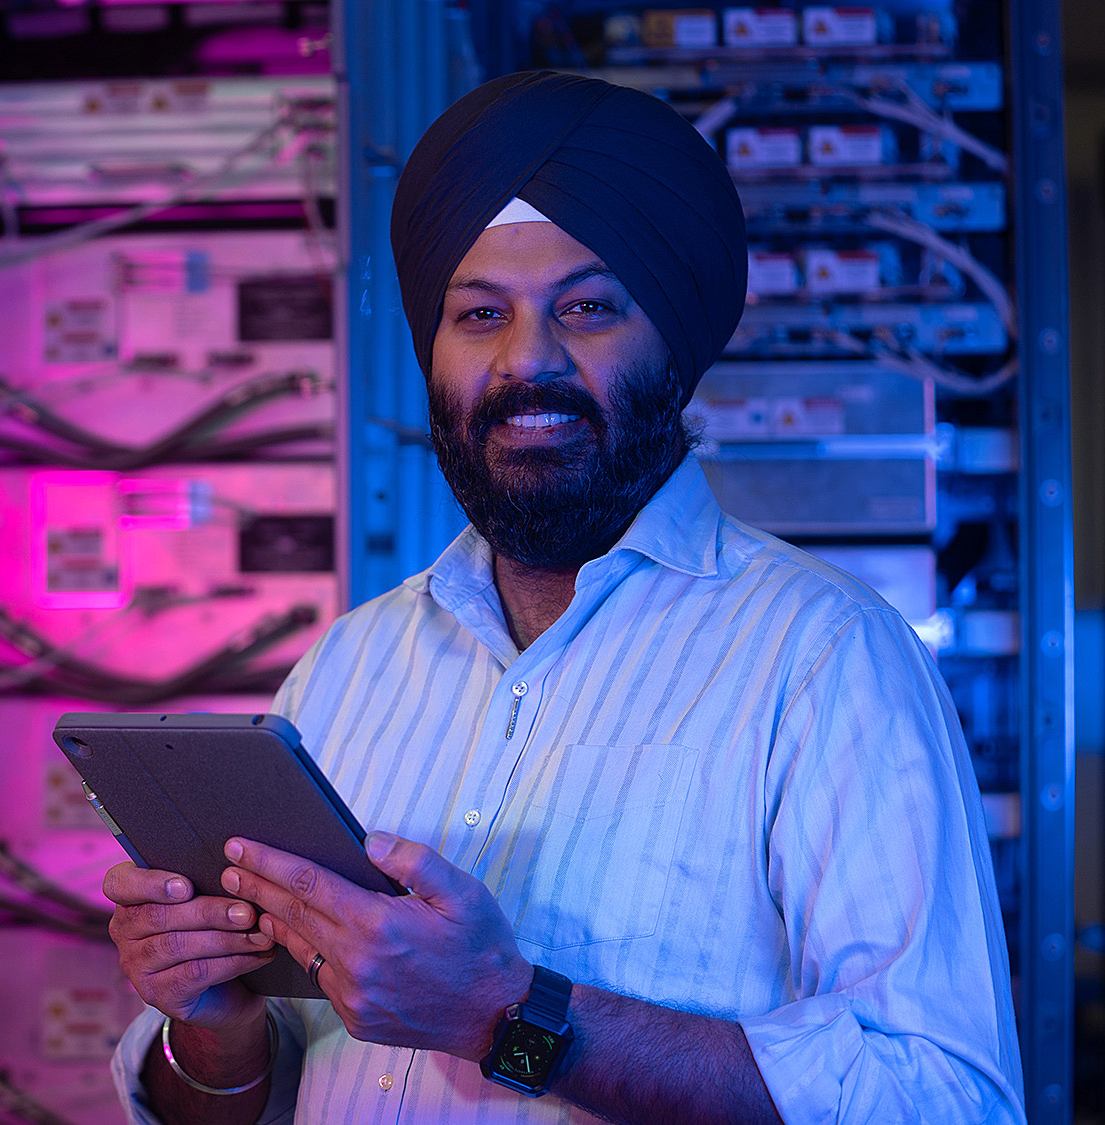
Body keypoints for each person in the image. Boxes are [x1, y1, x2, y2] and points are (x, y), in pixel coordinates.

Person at [103, 70, 1024, 1124]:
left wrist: (506, 1013)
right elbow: (258, 1096)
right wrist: (214, 1030)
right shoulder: (348, 665)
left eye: (585, 308)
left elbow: (946, 1099)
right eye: (478, 313)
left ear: (670, 345)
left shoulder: (821, 657)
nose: (524, 360)